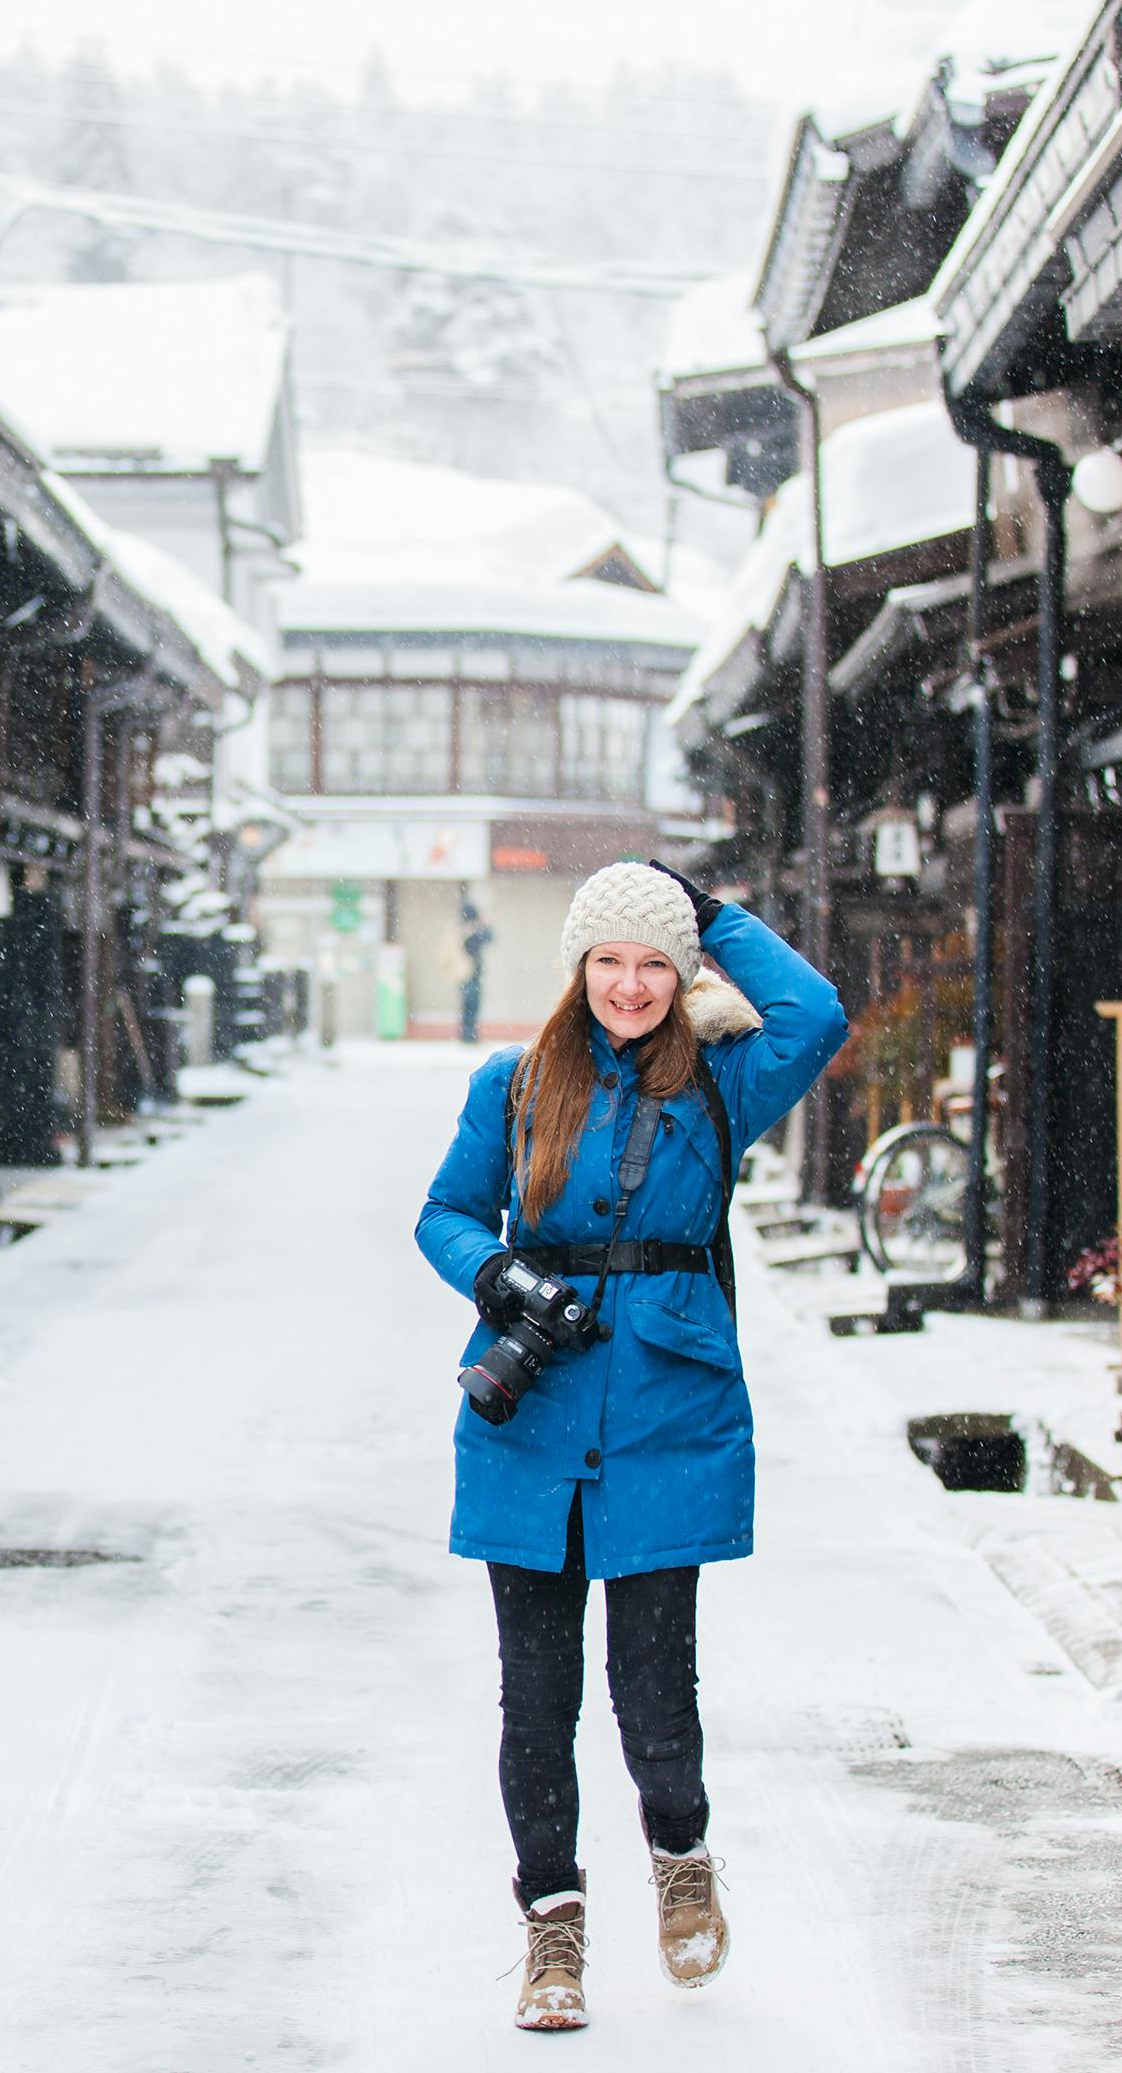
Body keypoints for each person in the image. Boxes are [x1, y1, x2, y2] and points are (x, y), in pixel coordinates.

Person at [413, 859, 846, 2032]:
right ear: (577, 966)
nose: (632, 983)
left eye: (656, 961)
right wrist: (498, 1274)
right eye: (611, 958)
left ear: (684, 972)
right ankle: (553, 1934)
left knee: (655, 1683)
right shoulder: (512, 1084)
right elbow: (444, 1214)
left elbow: (817, 1013)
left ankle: (682, 1857)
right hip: (534, 1406)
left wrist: (708, 915)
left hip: (668, 1410)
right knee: (536, 1695)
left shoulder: (722, 1084)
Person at [455, 893, 495, 1046]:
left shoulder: (463, 928)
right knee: (471, 1001)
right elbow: (487, 938)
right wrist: (483, 925)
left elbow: (489, 938)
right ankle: (468, 1033)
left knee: (469, 1002)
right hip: (469, 970)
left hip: (467, 970)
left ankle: (468, 1032)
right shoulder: (469, 930)